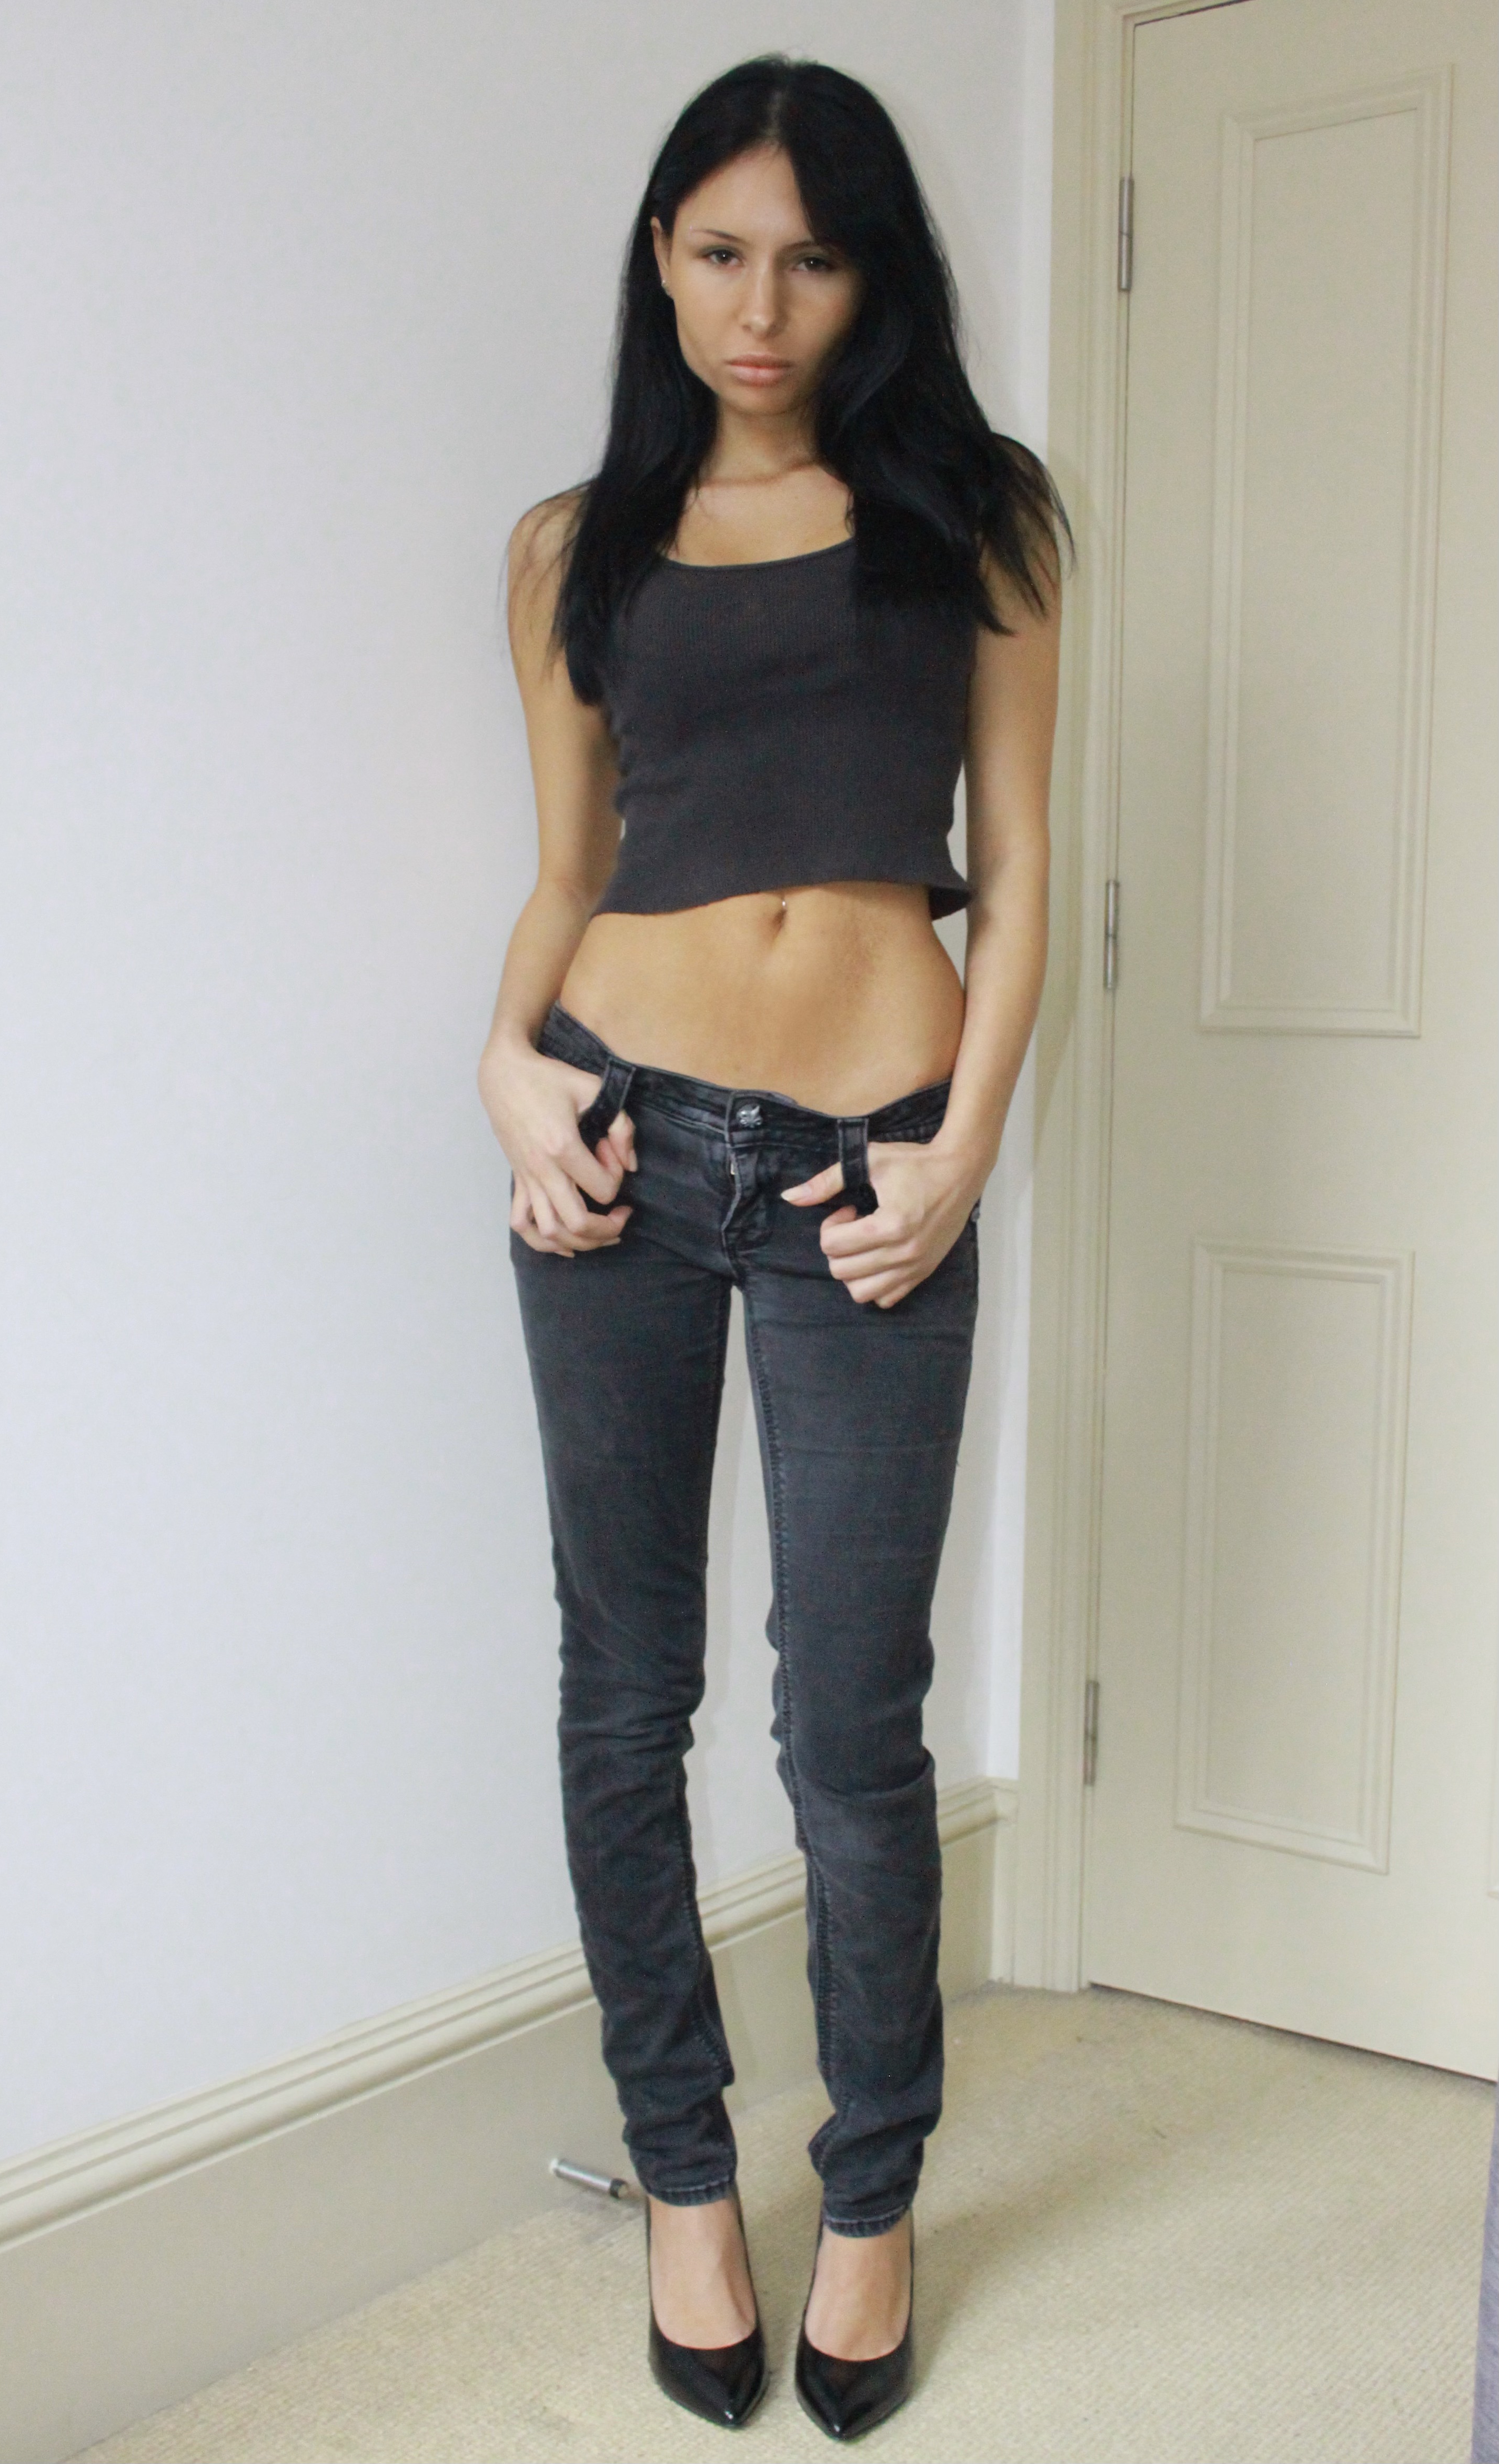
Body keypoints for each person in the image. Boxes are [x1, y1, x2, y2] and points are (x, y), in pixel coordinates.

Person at [478, 55, 1067, 2441]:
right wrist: (499, 1064)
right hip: (614, 1141)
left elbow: (1018, 876)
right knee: (626, 1693)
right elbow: (565, 872)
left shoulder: (976, 519)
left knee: (846, 1720)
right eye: (718, 252)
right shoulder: (571, 548)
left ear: (868, 275)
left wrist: (962, 1149)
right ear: (660, 259)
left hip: (868, 1173)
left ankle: (873, 2194)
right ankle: (685, 2182)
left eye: (809, 258)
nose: (758, 306)